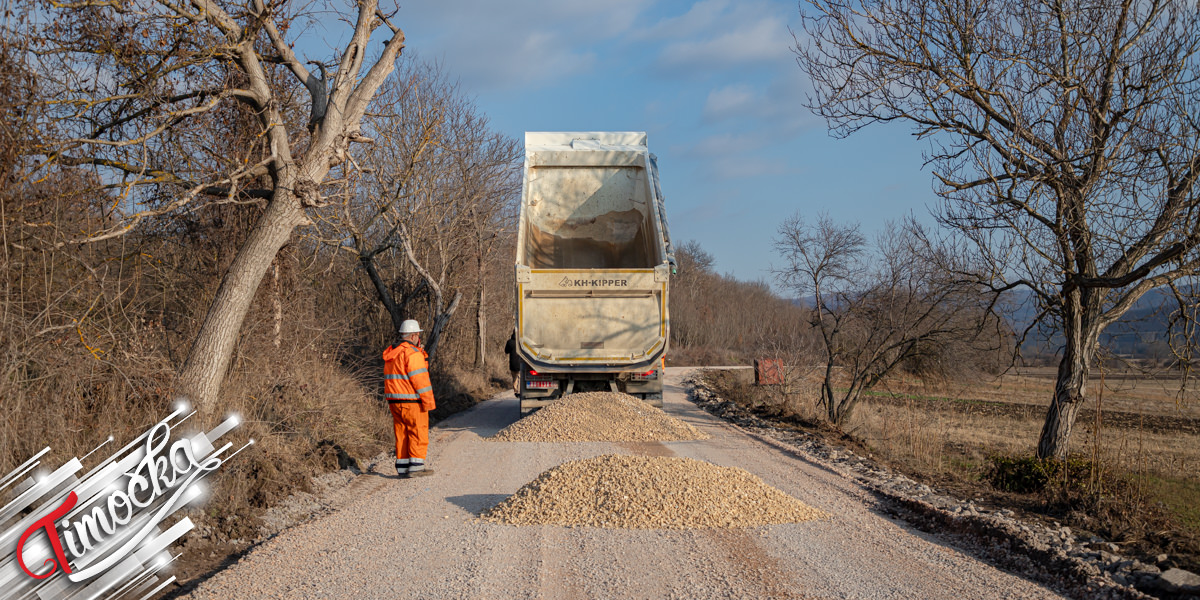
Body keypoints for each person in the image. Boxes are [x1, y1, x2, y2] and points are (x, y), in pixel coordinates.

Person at [382, 319, 436, 478]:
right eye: (418, 335)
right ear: (413, 336)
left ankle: (403, 466)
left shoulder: (392, 352)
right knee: (418, 431)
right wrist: (428, 402)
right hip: (412, 401)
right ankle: (417, 467)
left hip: (394, 401)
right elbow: (420, 380)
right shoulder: (412, 354)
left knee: (402, 432)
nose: (419, 337)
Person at [503, 331, 520, 396]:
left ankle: (515, 390)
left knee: (514, 378)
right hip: (520, 363)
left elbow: (506, 351)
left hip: (512, 364)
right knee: (520, 377)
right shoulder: (521, 342)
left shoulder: (509, 342)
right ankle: (519, 390)